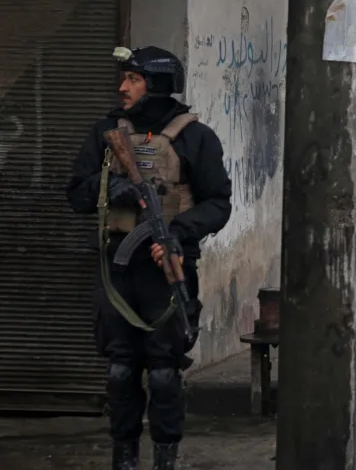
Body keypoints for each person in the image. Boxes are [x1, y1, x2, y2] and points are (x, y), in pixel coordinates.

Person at [66, 46, 232, 469]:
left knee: (162, 372)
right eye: (124, 78)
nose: (123, 87)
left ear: (156, 85)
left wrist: (177, 233)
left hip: (167, 268)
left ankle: (165, 458)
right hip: (118, 271)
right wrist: (109, 190)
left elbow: (218, 203)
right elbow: (76, 192)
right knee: (120, 371)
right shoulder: (106, 131)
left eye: (134, 79)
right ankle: (123, 457)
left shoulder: (196, 137)